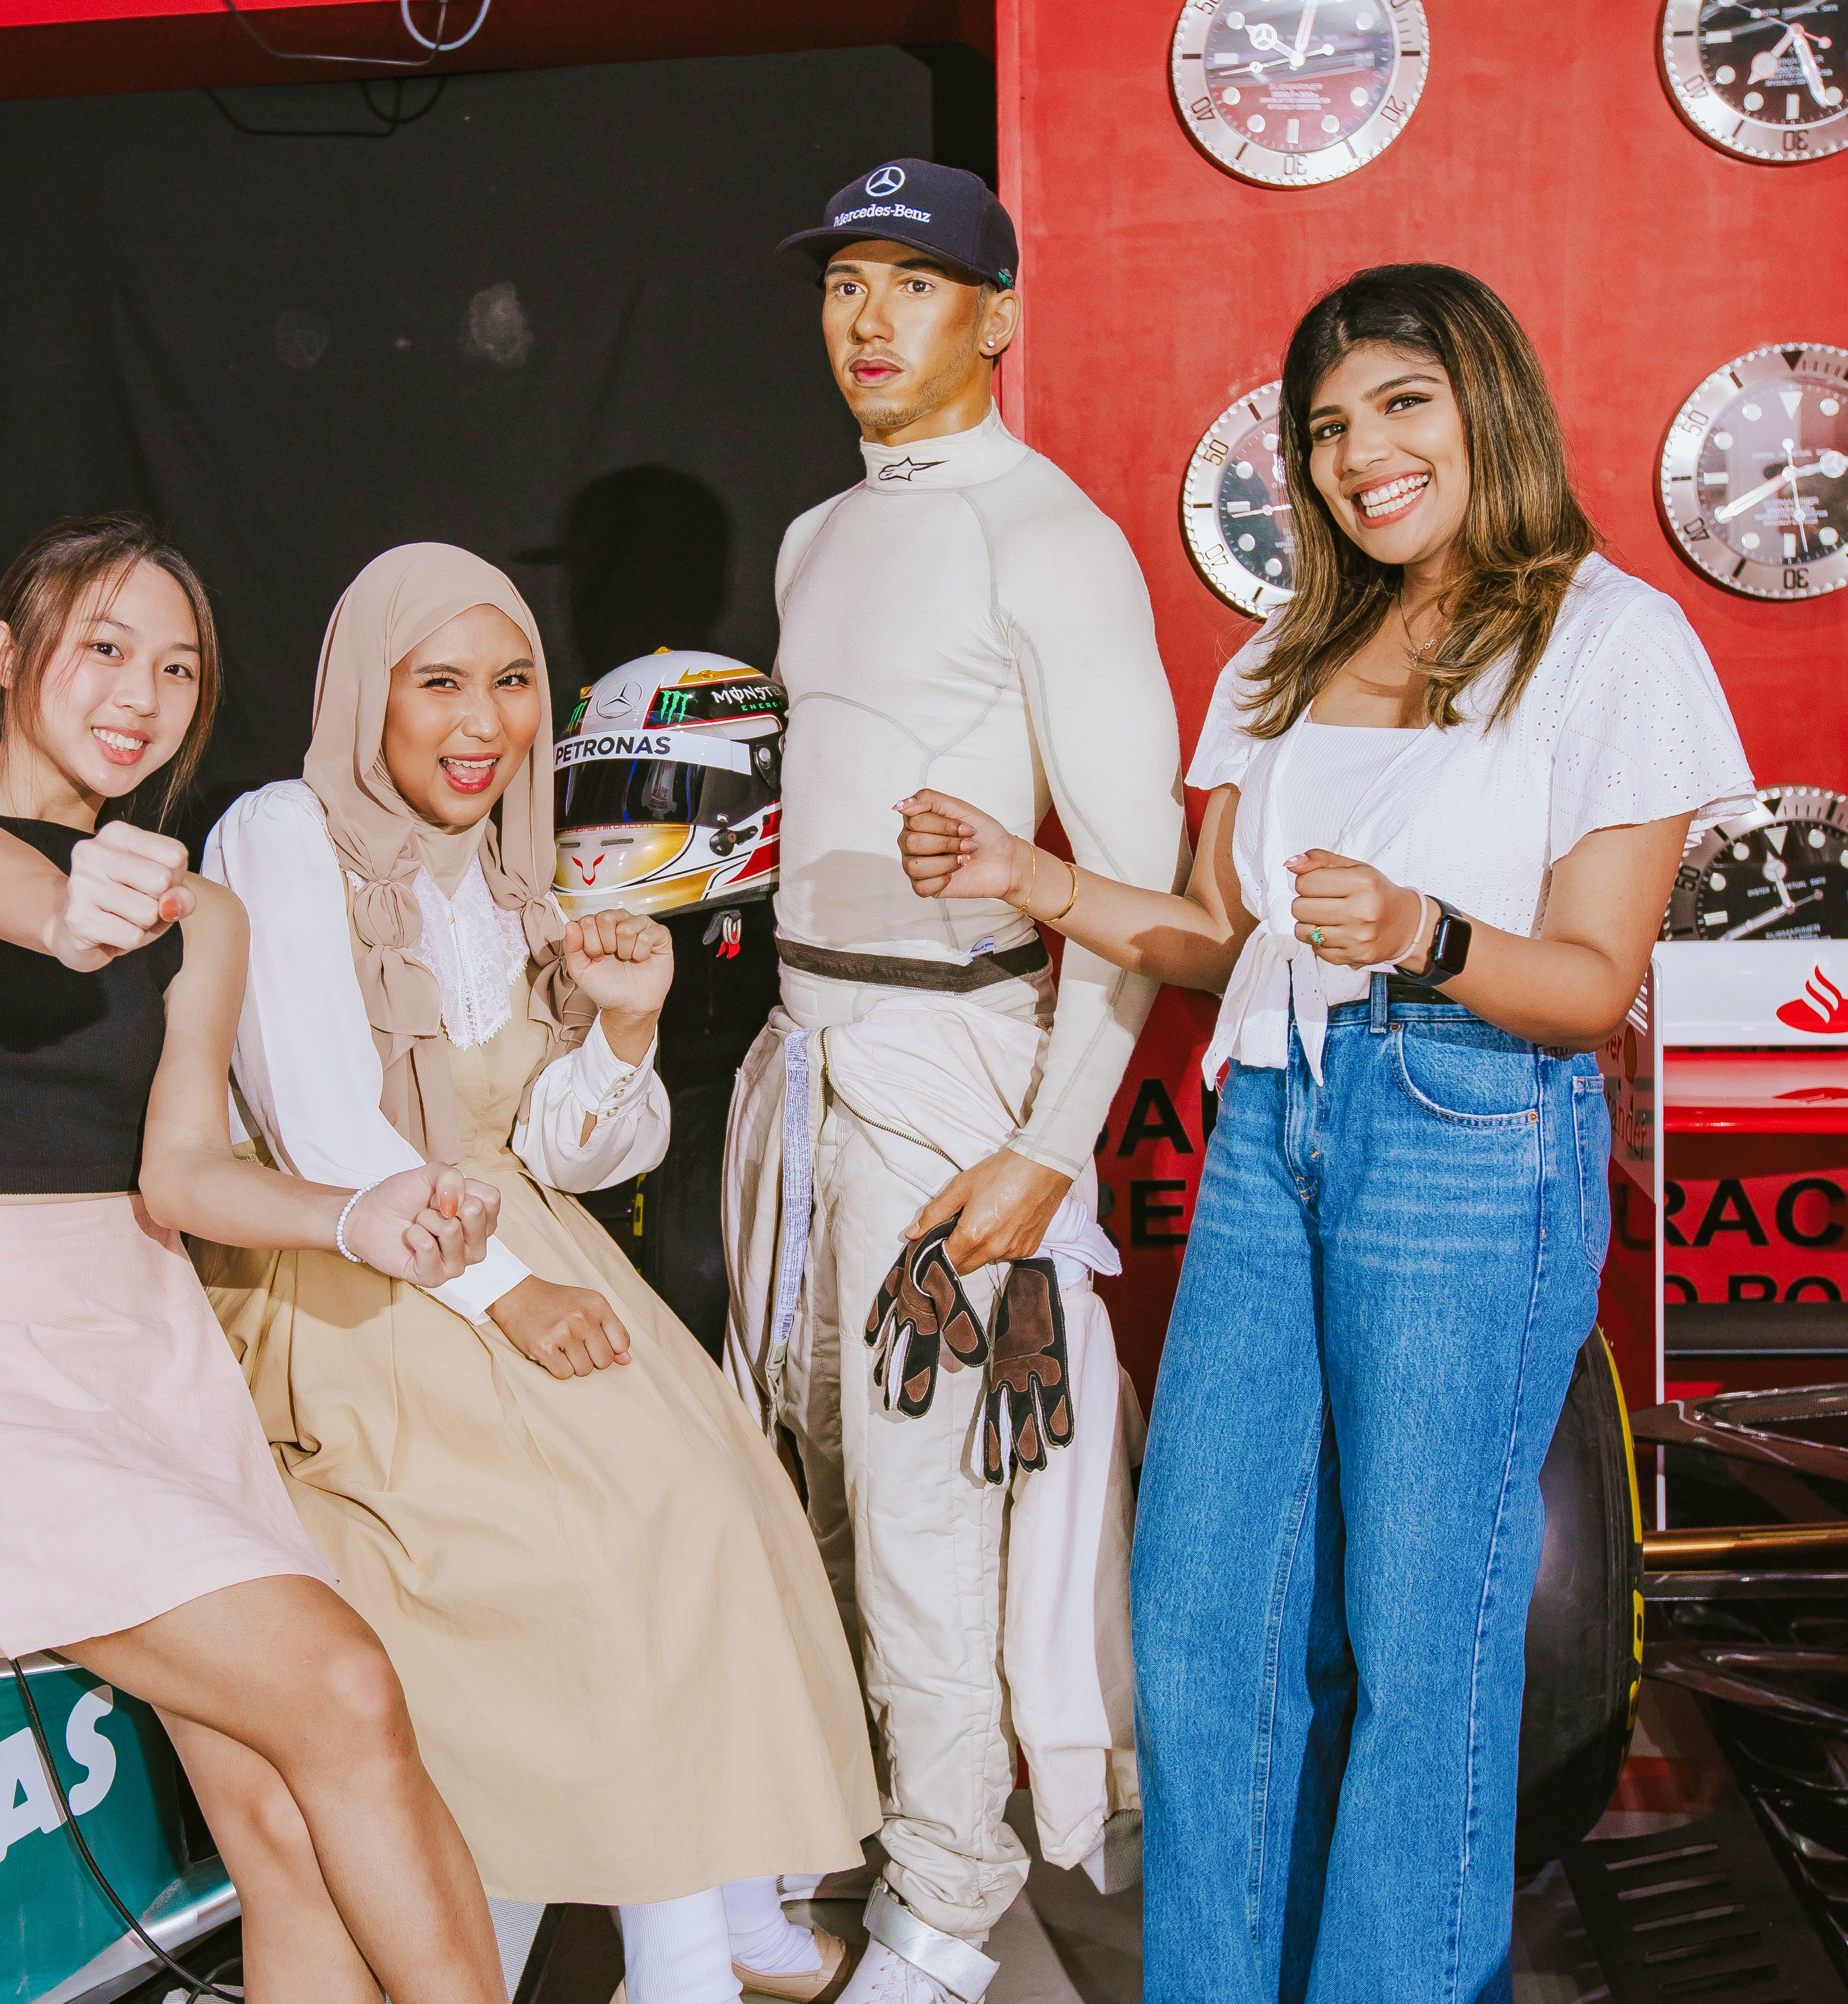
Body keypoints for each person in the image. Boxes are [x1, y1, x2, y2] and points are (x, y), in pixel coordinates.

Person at [895, 265, 1758, 2001]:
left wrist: (1430, 932)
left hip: (1467, 1129)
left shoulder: (1610, 638)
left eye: (1402, 404)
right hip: (1276, 1128)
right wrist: (1034, 877)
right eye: (1331, 424)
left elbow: (1595, 985)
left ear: (1487, 406)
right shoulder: (1290, 652)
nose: (1365, 452)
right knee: (1210, 1630)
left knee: (1423, 1642)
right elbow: (1231, 938)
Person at [0, 514, 512, 2004]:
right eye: (105, 649)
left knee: (281, 1830)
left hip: (153, 1357)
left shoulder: (203, 918)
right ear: (6, 655)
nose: (144, 694)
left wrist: (355, 1219)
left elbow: (180, 1175)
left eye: (177, 668)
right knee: (347, 1686)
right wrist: (50, 906)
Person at [191, 543, 880, 2004]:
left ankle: (724, 1909)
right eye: (438, 682)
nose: (482, 721)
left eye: (511, 685)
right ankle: (688, 1956)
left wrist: (627, 1026)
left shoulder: (516, 870)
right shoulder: (277, 834)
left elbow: (576, 1154)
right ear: (363, 691)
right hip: (357, 1276)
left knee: (717, 1489)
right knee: (621, 1530)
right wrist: (510, 1295)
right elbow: (326, 1127)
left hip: (512, 1237)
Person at [719, 159, 1185, 2004]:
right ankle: (868, 1838)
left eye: (915, 281)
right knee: (819, 1476)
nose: (868, 315)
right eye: (845, 278)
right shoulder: (818, 538)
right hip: (800, 1061)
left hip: (953, 1065)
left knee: (928, 1508)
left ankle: (949, 1902)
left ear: (996, 314)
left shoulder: (1049, 535)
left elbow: (1139, 894)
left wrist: (1051, 1149)